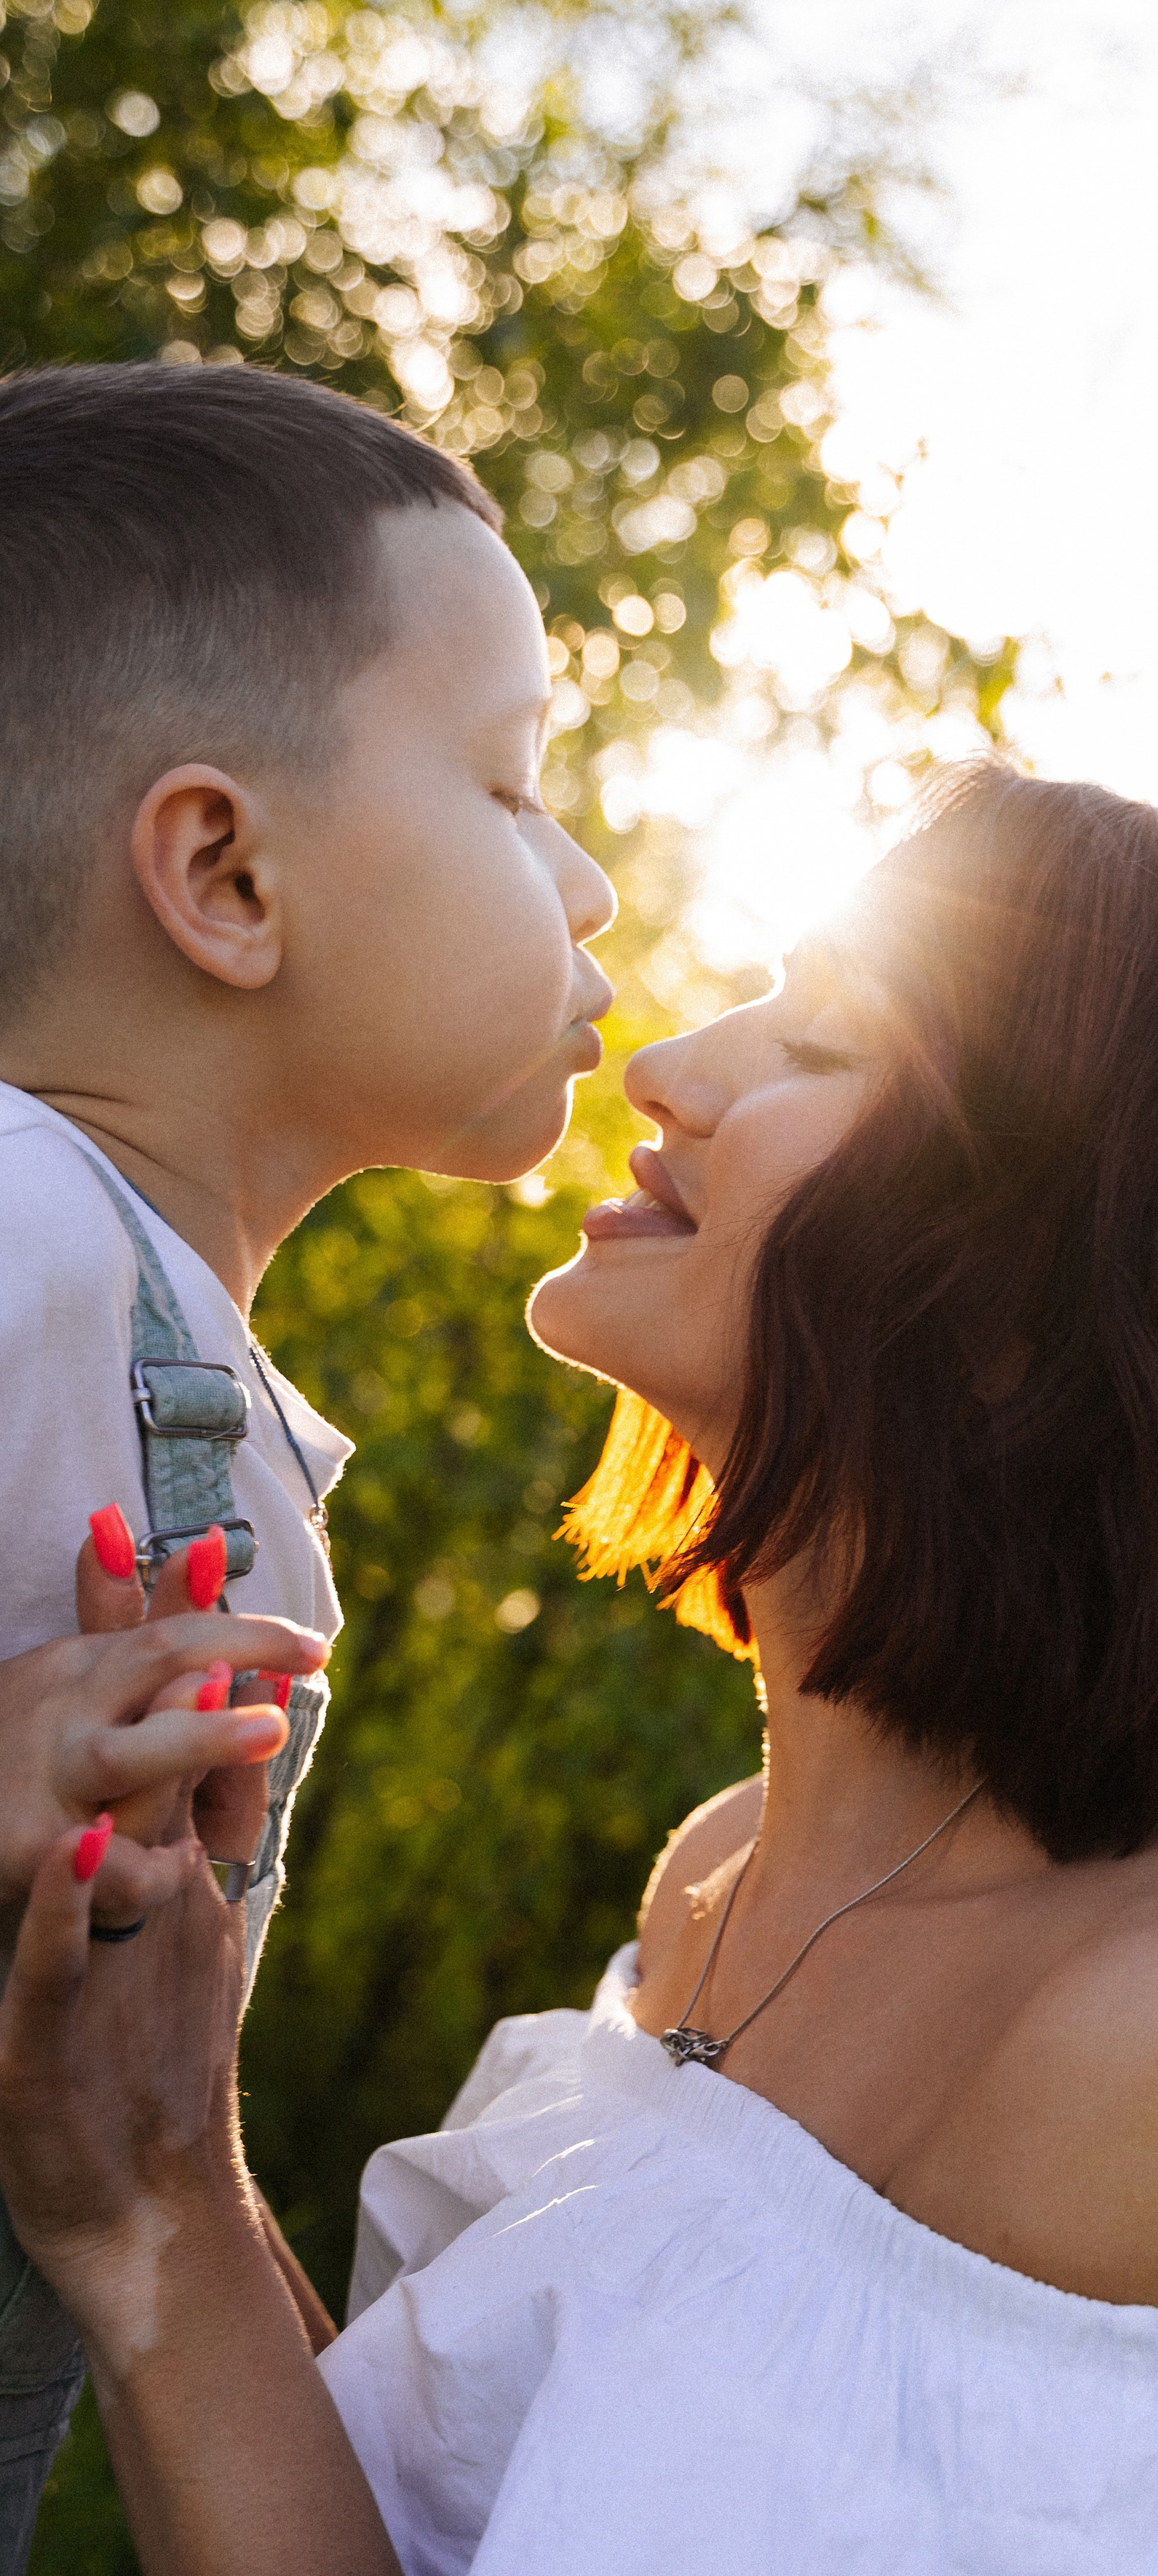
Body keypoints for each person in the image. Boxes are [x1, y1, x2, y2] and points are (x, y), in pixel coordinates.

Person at [0, 770, 1158, 2572]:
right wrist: (159, 2136)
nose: (673, 1068)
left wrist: (165, 2206)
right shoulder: (724, 1868)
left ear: (1045, 1277)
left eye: (817, 1037)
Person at [0, 361, 616, 2562]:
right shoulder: (23, 1226)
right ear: (225, 875)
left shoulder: (171, 1354)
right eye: (514, 785)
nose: (598, 879)